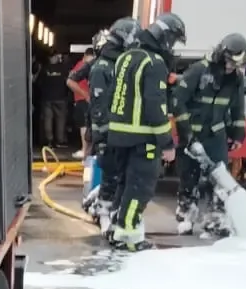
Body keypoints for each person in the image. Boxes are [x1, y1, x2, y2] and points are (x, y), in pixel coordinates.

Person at [103, 12, 186, 250]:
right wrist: (167, 143)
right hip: (143, 138)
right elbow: (155, 105)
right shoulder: (154, 63)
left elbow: (112, 97)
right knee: (139, 187)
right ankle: (128, 238)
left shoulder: (125, 58)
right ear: (166, 37)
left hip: (119, 135)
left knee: (125, 184)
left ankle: (116, 229)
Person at [173, 33, 246, 236]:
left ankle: (215, 220)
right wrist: (185, 133)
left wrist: (238, 134)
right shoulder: (199, 70)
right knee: (188, 177)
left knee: (219, 179)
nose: (231, 68)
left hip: (216, 136)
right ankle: (186, 216)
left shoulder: (236, 79)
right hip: (191, 135)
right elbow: (178, 100)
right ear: (221, 55)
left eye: (236, 65)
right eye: (229, 63)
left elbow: (237, 108)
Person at [87, 17, 141, 228]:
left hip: (119, 132)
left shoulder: (120, 63)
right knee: (110, 175)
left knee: (119, 176)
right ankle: (103, 213)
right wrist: (102, 136)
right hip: (108, 133)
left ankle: (97, 203)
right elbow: (98, 107)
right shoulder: (102, 67)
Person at [66, 40, 99, 157]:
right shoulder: (87, 65)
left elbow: (70, 79)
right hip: (84, 98)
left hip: (84, 99)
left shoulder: (84, 65)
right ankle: (85, 150)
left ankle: (85, 150)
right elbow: (71, 80)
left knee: (85, 126)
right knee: (85, 125)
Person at [35, 52, 72, 150]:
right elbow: (69, 82)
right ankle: (60, 141)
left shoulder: (44, 69)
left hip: (47, 98)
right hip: (61, 98)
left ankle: (49, 141)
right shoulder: (63, 69)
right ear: (55, 57)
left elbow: (38, 83)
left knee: (48, 119)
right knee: (61, 120)